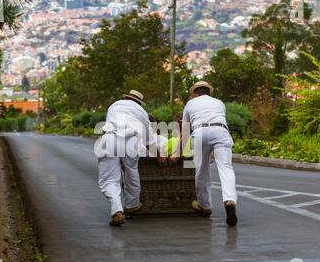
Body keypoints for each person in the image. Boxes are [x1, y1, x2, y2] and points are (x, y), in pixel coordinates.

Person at [172, 81, 238, 226]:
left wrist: (177, 153)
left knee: (201, 169)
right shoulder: (219, 103)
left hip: (200, 132)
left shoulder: (190, 104)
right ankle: (230, 200)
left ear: (195, 94)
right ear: (209, 92)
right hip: (220, 131)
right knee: (226, 168)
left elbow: (185, 131)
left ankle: (205, 206)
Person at [97, 90, 166, 226]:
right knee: (131, 172)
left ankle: (117, 211)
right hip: (130, 141)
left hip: (109, 138)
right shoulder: (141, 112)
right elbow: (148, 141)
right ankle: (131, 205)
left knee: (110, 179)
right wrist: (159, 157)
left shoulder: (114, 105)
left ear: (127, 98)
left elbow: (106, 127)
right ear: (140, 103)